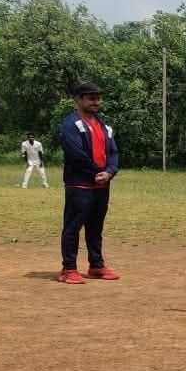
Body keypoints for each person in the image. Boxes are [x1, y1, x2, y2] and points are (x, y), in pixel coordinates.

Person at [57, 82, 121, 284]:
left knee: (95, 226)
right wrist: (97, 172)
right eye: (91, 98)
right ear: (79, 99)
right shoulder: (70, 124)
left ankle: (96, 265)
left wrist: (109, 172)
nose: (96, 102)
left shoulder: (104, 126)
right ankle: (68, 269)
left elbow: (113, 152)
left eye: (98, 98)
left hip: (102, 184)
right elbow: (75, 154)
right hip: (80, 184)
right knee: (73, 226)